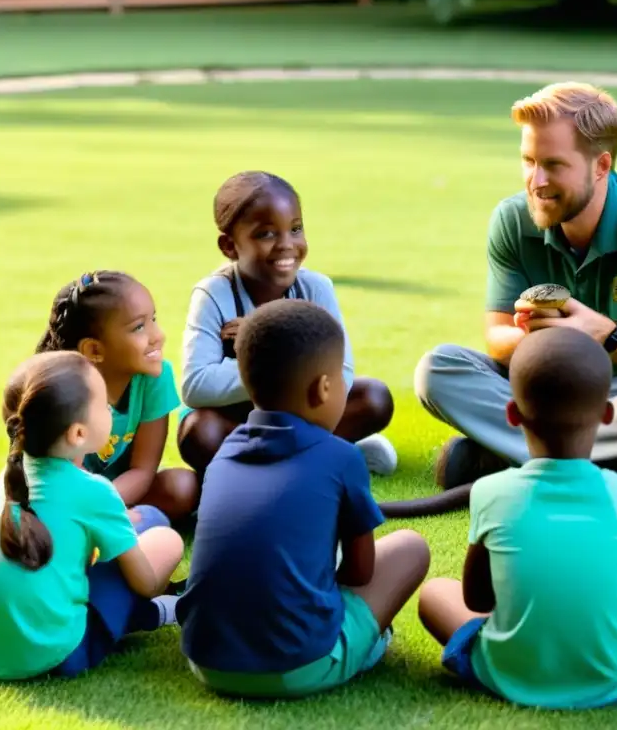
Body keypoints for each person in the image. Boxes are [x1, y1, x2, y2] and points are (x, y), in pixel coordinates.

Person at [414, 81, 617, 515]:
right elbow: (497, 338)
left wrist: (601, 332)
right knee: (437, 370)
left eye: (553, 165)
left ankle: (507, 458)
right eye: (528, 161)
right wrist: (545, 339)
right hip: (554, 385)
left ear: (601, 165)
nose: (536, 181)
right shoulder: (512, 220)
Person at [418, 327, 617, 710]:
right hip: (613, 677)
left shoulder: (490, 491)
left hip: (507, 675)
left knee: (434, 594)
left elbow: (476, 599)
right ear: (608, 413)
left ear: (512, 413)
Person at [176, 298, 430, 699]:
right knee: (411, 547)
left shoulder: (223, 453)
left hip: (205, 659)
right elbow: (360, 574)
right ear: (323, 388)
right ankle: (363, 648)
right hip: (299, 667)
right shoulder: (342, 456)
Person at [177, 171, 397, 478]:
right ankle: (332, 454)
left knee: (374, 398)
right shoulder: (213, 294)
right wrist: (293, 361)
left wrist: (267, 340)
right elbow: (196, 385)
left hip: (301, 415)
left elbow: (340, 375)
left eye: (295, 229)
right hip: (241, 422)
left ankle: (271, 468)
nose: (286, 245)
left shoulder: (316, 288)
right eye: (266, 234)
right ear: (229, 246)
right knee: (200, 433)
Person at [0, 351, 183, 680]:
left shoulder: (8, 481)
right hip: (61, 654)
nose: (110, 408)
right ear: (78, 434)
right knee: (161, 530)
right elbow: (147, 583)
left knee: (136, 523)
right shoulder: (95, 492)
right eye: (103, 403)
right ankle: (144, 616)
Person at [34, 270, 199, 527]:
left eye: (153, 319)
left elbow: (143, 470)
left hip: (121, 493)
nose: (158, 335)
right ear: (94, 350)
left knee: (181, 486)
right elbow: (65, 479)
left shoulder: (154, 378)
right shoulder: (65, 391)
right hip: (68, 496)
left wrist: (106, 505)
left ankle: (105, 526)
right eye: (139, 327)